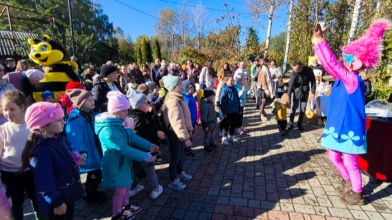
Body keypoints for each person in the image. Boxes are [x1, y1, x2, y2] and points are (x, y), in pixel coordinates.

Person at [311, 19, 390, 205]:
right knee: (333, 156)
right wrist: (317, 41)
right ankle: (347, 180)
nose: (343, 61)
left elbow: (331, 64)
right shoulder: (342, 80)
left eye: (348, 58)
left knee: (350, 162)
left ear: (356, 63)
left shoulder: (353, 80)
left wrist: (320, 42)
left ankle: (357, 193)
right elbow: (329, 65)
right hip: (337, 126)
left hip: (350, 128)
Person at [95, 91, 158, 220]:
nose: (127, 113)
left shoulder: (120, 124)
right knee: (120, 190)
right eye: (124, 110)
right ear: (115, 111)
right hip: (115, 164)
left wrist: (149, 145)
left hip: (123, 163)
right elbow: (121, 148)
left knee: (127, 185)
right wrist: (144, 156)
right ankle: (116, 214)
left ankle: (126, 205)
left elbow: (132, 137)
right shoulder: (108, 129)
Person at [21, 102, 85, 219]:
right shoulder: (41, 152)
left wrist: (73, 159)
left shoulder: (57, 139)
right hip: (57, 203)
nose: (63, 122)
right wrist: (57, 202)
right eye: (59, 120)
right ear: (43, 125)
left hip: (66, 196)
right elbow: (45, 182)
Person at [0, 91, 39, 220]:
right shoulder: (3, 129)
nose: (8, 113)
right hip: (10, 172)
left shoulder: (32, 127)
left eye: (12, 109)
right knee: (16, 202)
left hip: (30, 170)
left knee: (36, 197)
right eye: (5, 110)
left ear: (22, 107)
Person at [65, 89, 107, 204]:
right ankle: (91, 195)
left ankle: (91, 192)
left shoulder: (91, 113)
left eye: (91, 98)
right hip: (87, 152)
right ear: (80, 103)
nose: (92, 101)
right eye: (87, 100)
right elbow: (75, 141)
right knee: (95, 173)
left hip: (94, 149)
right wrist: (82, 155)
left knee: (97, 172)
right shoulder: (75, 120)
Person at [127, 91, 164, 199]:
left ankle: (134, 187)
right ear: (136, 105)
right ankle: (155, 188)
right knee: (149, 168)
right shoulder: (136, 118)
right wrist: (155, 133)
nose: (148, 105)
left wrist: (149, 113)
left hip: (135, 150)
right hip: (143, 149)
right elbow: (139, 133)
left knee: (135, 168)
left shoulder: (136, 114)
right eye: (145, 103)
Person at [162, 75, 193, 190]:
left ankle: (179, 173)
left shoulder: (179, 98)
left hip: (179, 134)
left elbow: (185, 118)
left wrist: (189, 130)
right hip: (175, 135)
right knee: (175, 157)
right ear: (173, 87)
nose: (181, 86)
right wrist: (185, 138)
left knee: (179, 156)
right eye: (179, 84)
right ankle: (173, 179)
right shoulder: (173, 102)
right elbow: (177, 122)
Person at [286, 61, 316, 131]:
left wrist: (313, 92)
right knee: (293, 107)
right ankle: (291, 123)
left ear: (301, 67)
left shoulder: (309, 70)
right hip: (296, 90)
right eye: (294, 69)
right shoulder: (294, 72)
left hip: (305, 90)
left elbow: (313, 81)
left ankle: (300, 123)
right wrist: (288, 96)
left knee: (303, 108)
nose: (295, 70)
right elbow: (291, 85)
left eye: (296, 69)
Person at [220, 75, 240, 145]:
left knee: (233, 124)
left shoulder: (234, 89)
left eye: (233, 80)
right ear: (226, 81)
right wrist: (224, 112)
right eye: (230, 80)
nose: (232, 82)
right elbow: (222, 102)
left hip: (234, 110)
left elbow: (237, 99)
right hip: (227, 111)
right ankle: (224, 137)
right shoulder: (225, 89)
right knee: (226, 125)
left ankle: (231, 135)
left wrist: (239, 109)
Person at [182, 80, 199, 159]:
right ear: (185, 89)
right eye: (190, 88)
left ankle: (188, 149)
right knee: (189, 136)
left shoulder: (191, 97)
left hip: (193, 120)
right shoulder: (186, 99)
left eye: (192, 87)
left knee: (191, 136)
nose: (192, 89)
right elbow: (186, 113)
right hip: (188, 122)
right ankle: (187, 151)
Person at [201, 88, 218, 153]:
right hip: (208, 124)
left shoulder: (211, 103)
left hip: (212, 123)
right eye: (211, 96)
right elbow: (204, 116)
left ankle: (211, 143)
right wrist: (205, 126)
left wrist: (217, 114)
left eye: (213, 96)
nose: (212, 97)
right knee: (207, 135)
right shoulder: (205, 105)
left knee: (211, 134)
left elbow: (213, 112)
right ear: (206, 96)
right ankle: (206, 146)